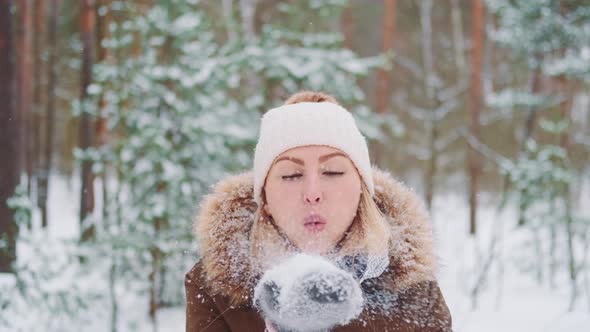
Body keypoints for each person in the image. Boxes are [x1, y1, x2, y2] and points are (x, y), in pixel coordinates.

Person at [185, 91, 452, 331]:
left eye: (333, 172)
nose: (312, 193)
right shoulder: (218, 290)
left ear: (361, 190)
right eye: (291, 175)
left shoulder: (412, 289)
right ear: (264, 196)